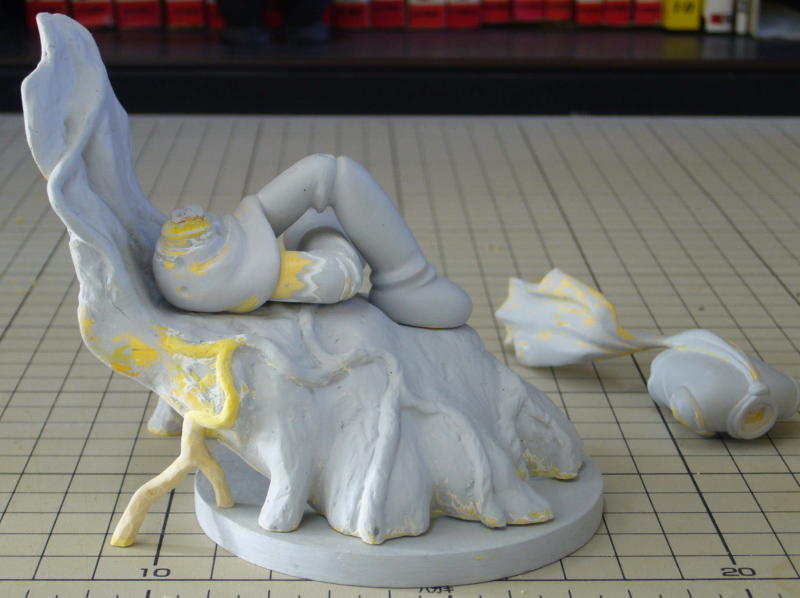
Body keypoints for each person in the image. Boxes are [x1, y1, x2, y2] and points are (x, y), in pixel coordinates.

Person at [153, 154, 472, 329]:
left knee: (326, 172)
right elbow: (339, 277)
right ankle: (408, 280)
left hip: (216, 249)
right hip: (209, 268)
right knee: (337, 272)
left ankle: (407, 278)